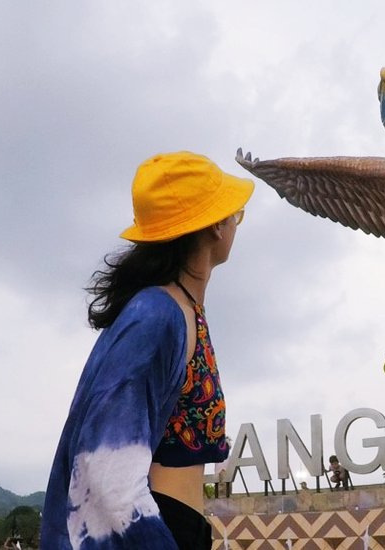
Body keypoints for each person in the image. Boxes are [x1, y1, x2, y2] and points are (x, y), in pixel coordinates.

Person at [40, 152, 254, 549]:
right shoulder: (156, 314)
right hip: (155, 529)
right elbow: (107, 467)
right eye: (235, 215)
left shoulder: (180, 309)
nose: (235, 224)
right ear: (214, 226)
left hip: (177, 526)